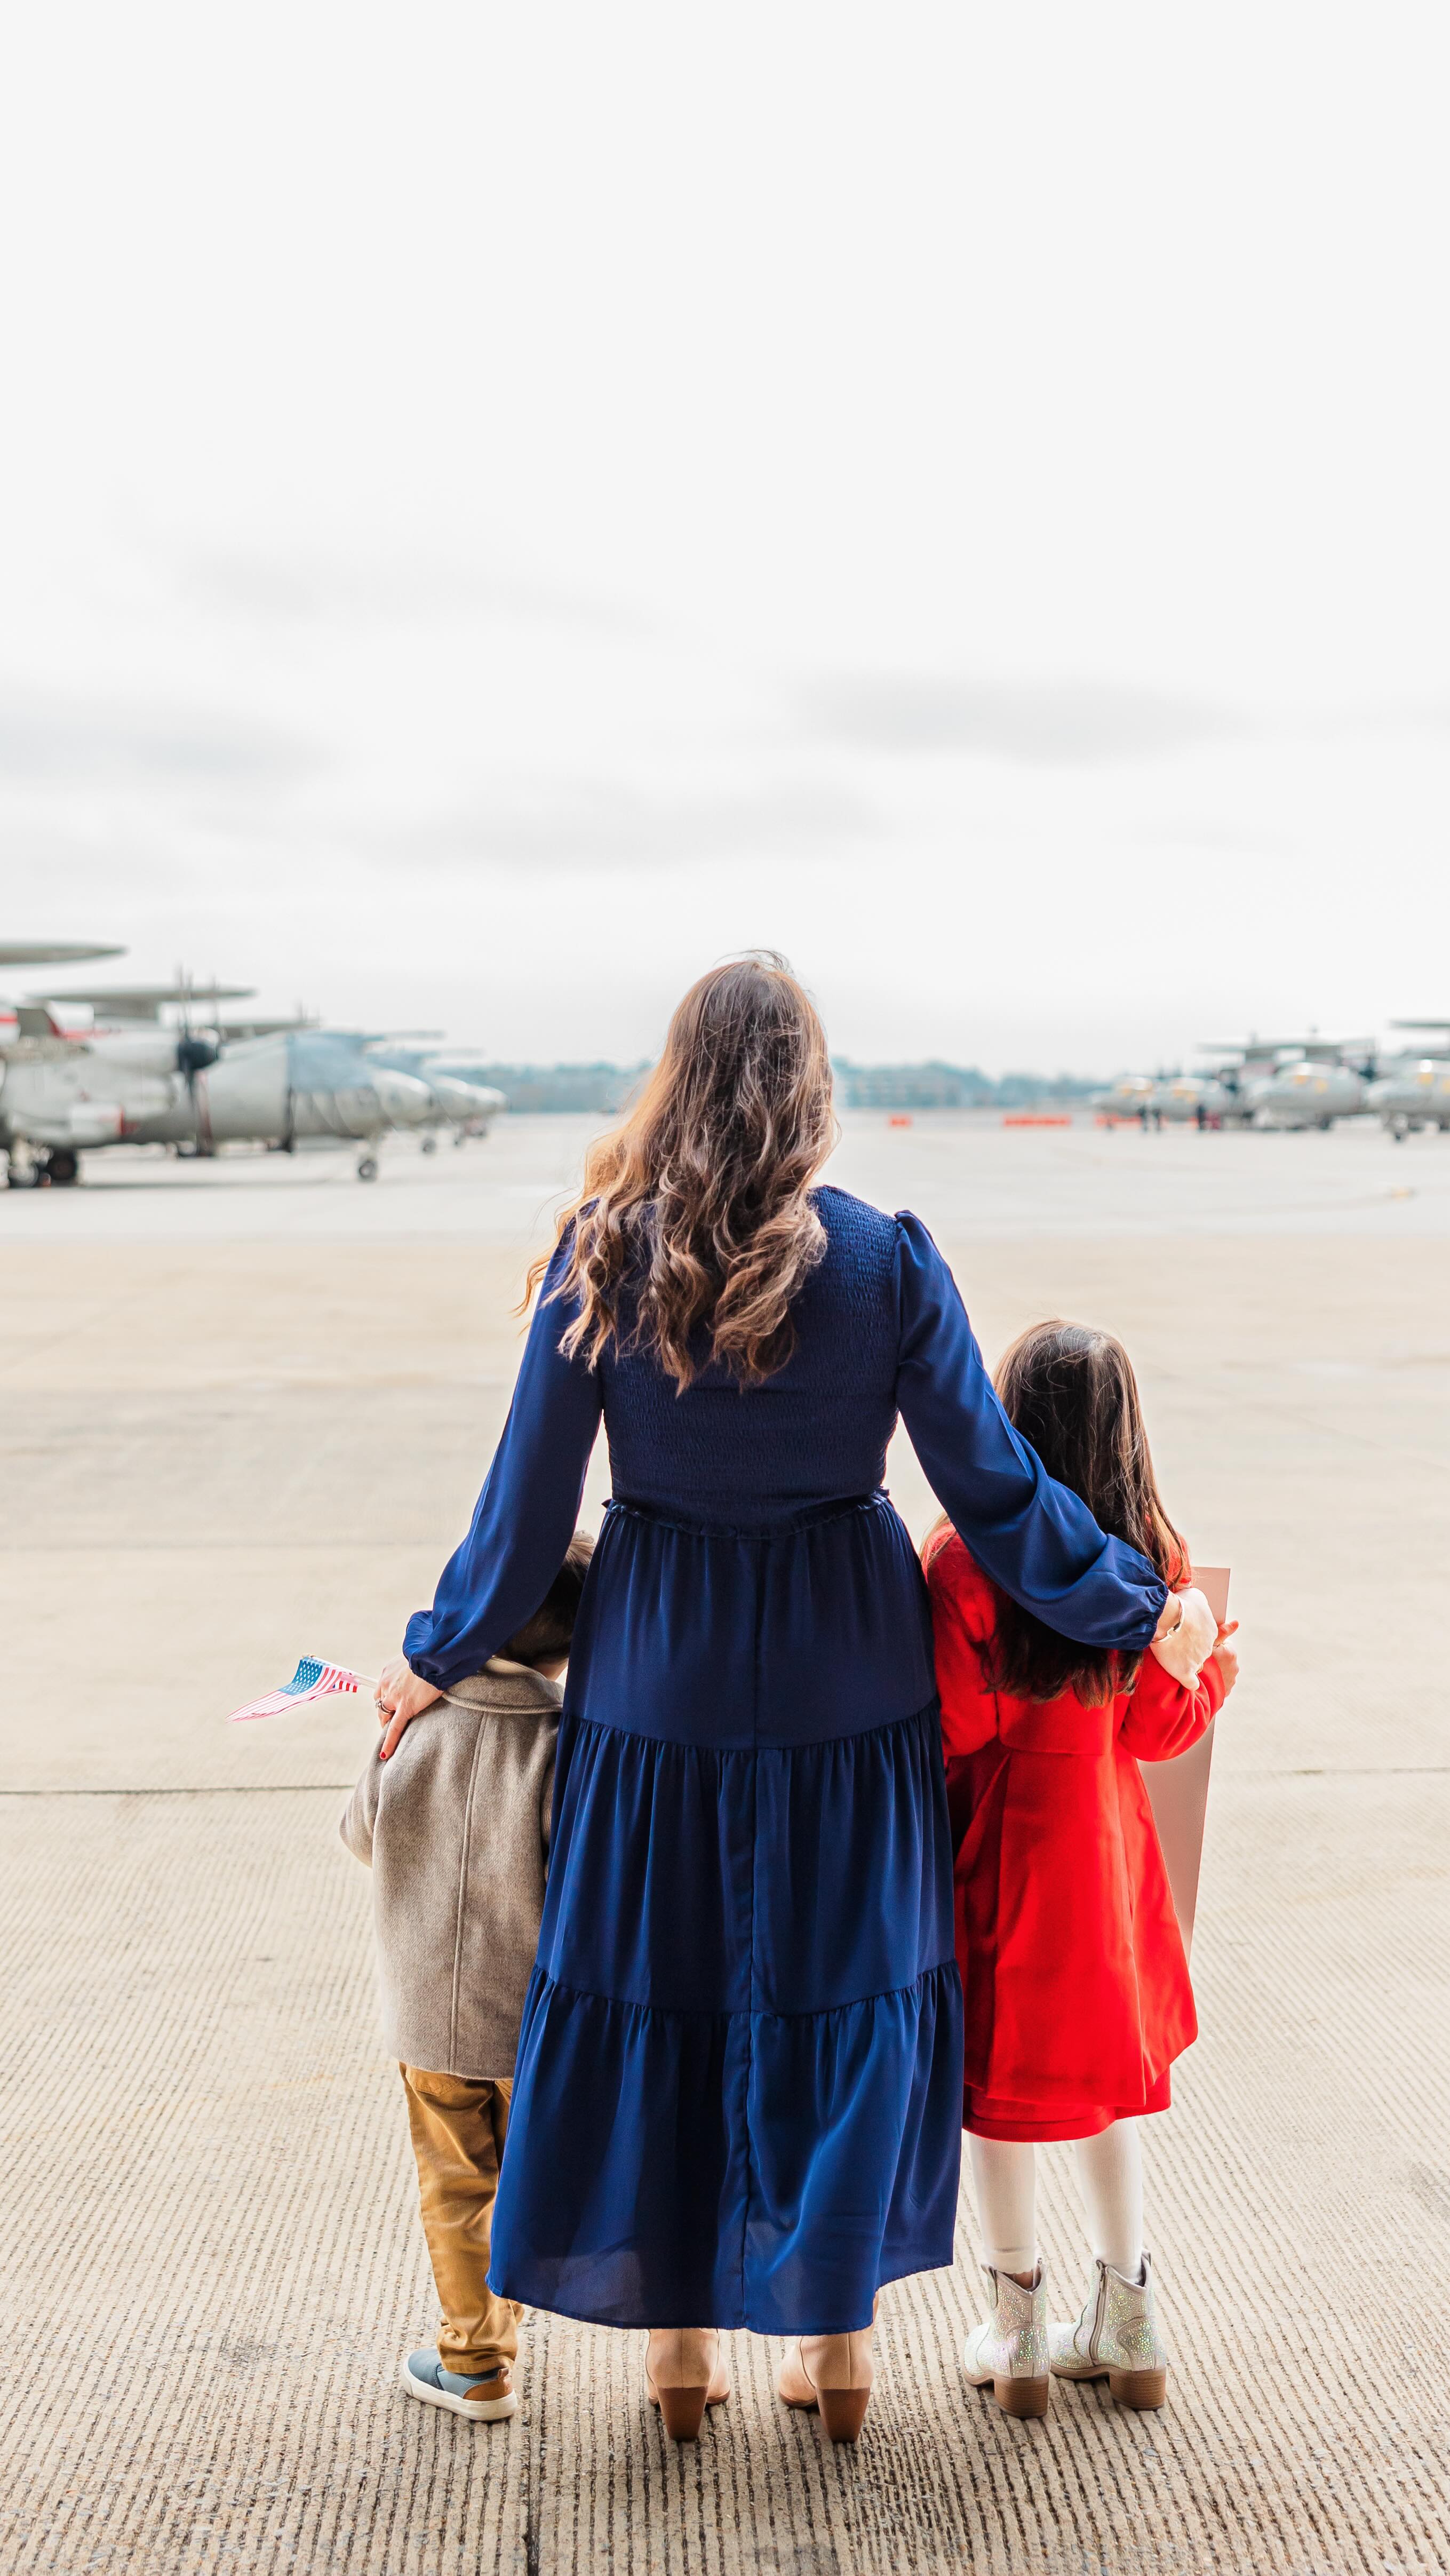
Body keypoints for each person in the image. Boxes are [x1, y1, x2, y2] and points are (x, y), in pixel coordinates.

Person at [376, 956, 1214, 2445]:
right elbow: (1002, 1498)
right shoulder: (885, 1260)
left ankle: (677, 2353)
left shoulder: (602, 1251)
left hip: (659, 1686)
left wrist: (428, 1655)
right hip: (847, 1678)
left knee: (669, 1991)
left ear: (676, 1082)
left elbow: (518, 1516)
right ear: (812, 1095)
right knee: (832, 1993)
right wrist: (1137, 1609)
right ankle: (833, 2354)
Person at [923, 1321, 1239, 2419]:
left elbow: (955, 1727)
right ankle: (1130, 2312)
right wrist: (1211, 1669)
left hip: (1004, 1852)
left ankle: (1016, 2327)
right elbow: (1160, 1733)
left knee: (998, 2095)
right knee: (1113, 2089)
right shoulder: (1153, 1556)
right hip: (1109, 1861)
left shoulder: (965, 1557)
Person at [341, 1531, 594, 2423]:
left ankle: (476, 2364)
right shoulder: (566, 1740)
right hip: (526, 2016)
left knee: (455, 2182)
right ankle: (524, 2296)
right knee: (529, 2171)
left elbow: (360, 1837)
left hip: (426, 2017)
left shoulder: (415, 1721)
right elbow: (579, 1872)